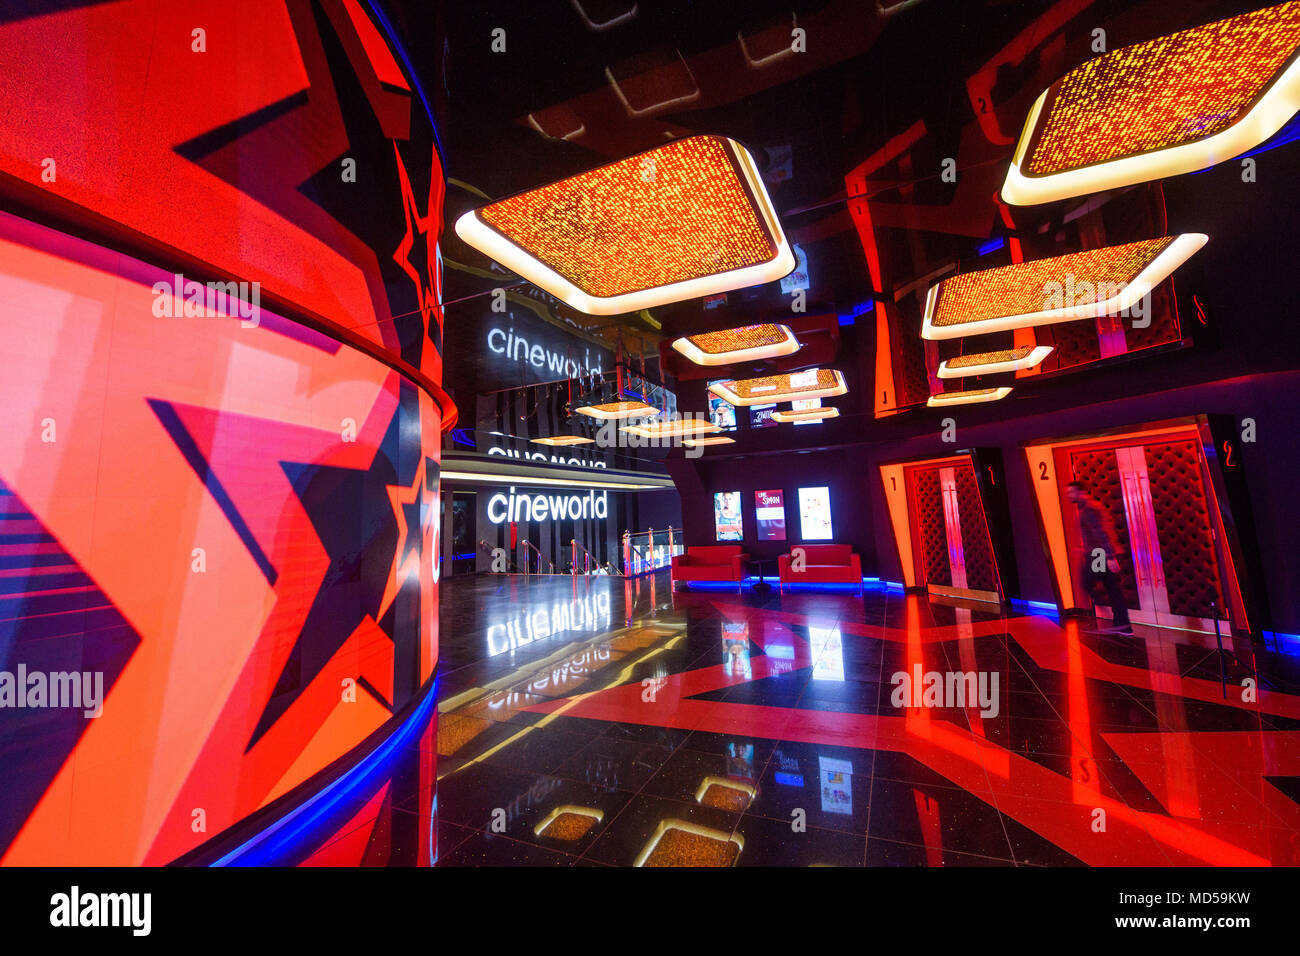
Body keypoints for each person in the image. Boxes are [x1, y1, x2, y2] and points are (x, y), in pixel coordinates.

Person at [1065, 481, 1133, 636]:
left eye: (1071, 492)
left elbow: (1101, 533)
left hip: (1099, 554)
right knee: (1112, 588)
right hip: (1099, 553)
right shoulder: (1089, 508)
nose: (1068, 496)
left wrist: (1109, 557)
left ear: (1081, 492)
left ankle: (1112, 616)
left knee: (1086, 582)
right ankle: (1123, 626)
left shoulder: (1089, 509)